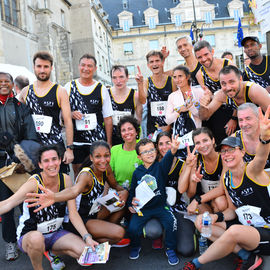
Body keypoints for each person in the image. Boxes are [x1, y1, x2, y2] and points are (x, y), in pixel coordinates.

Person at [182, 105, 270, 270]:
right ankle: (248, 258)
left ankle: (195, 264)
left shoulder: (251, 170)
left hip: (265, 229)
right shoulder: (227, 177)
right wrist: (216, 218)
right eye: (223, 152)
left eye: (231, 150)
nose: (227, 155)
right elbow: (231, 210)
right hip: (247, 225)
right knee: (203, 224)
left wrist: (264, 139)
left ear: (242, 152)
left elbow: (261, 157)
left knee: (234, 231)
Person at [0, 145, 91, 270]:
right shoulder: (33, 183)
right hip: (30, 235)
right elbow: (8, 203)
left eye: (54, 159)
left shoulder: (66, 180)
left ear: (60, 160)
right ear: (40, 164)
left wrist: (87, 237)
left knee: (84, 252)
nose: (51, 164)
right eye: (46, 161)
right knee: (37, 239)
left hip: (55, 233)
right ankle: (38, 268)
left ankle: (52, 252)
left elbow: (73, 213)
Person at [26, 141, 129, 248]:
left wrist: (125, 191)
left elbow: (115, 185)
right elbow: (73, 191)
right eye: (98, 156)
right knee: (119, 233)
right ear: (91, 158)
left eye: (106, 156)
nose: (103, 160)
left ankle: (99, 236)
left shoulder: (106, 168)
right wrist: (54, 197)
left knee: (121, 206)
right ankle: (86, 242)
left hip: (95, 212)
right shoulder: (86, 175)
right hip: (79, 219)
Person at [0, 72, 39, 261]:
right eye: (0, 81)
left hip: (20, 163)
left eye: (6, 81)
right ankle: (10, 243)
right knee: (6, 206)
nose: (3, 84)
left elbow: (30, 135)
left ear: (12, 84)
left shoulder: (22, 107)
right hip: (0, 166)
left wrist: (21, 156)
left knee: (28, 202)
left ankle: (31, 238)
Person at [127, 136, 180, 265]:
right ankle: (135, 246)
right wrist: (130, 203)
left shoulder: (161, 167)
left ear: (156, 151)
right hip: (143, 209)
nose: (149, 153)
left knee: (172, 222)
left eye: (151, 150)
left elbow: (168, 157)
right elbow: (132, 190)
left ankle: (170, 249)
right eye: (145, 151)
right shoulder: (137, 172)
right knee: (132, 228)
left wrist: (173, 149)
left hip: (160, 207)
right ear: (139, 157)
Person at [19, 51, 74, 174]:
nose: (42, 70)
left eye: (46, 67)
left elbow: (68, 121)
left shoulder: (60, 91)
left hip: (55, 147)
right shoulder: (25, 92)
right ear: (34, 67)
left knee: (60, 185)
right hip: (33, 148)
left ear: (51, 68)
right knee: (35, 186)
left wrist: (70, 149)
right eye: (39, 66)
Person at [64, 54, 113, 177]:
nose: (86, 68)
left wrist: (108, 142)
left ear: (95, 68)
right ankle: (81, 196)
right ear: (79, 66)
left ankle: (99, 195)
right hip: (77, 141)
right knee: (78, 173)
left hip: (96, 140)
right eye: (83, 65)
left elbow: (108, 118)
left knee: (98, 172)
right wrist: (70, 114)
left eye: (89, 66)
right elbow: (61, 114)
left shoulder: (101, 88)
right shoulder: (69, 87)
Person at [150, 131, 197, 256]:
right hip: (158, 207)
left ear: (174, 144)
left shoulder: (182, 163)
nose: (164, 147)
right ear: (156, 147)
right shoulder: (152, 164)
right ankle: (161, 232)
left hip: (177, 207)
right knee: (153, 231)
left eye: (168, 143)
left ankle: (186, 231)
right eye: (161, 144)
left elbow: (181, 190)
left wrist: (188, 167)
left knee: (186, 250)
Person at [194, 40, 236, 144]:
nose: (204, 59)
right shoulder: (200, 74)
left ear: (212, 51)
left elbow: (239, 92)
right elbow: (210, 97)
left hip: (235, 108)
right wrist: (209, 96)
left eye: (206, 54)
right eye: (199, 57)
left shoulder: (228, 64)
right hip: (217, 111)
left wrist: (234, 118)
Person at [199, 65, 270, 121]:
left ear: (240, 79)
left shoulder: (255, 91)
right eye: (223, 84)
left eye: (231, 82)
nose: (228, 87)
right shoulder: (222, 95)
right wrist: (203, 106)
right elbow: (204, 117)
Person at [185, 127, 228, 215]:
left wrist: (197, 200)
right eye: (198, 143)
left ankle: (223, 224)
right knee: (204, 214)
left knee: (220, 202)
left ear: (213, 140)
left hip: (219, 197)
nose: (202, 145)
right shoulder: (195, 160)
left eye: (205, 140)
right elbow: (190, 194)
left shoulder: (224, 158)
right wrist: (193, 181)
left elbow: (222, 189)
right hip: (203, 200)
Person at [135, 50, 176, 138]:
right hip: (153, 127)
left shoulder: (171, 80)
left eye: (157, 61)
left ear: (162, 62)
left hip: (170, 125)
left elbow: (176, 104)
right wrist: (140, 84)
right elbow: (142, 101)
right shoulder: (146, 81)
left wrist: (169, 124)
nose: (154, 64)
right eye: (151, 62)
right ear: (148, 65)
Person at [166, 65, 204, 137]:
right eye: (174, 77)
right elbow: (168, 120)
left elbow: (203, 116)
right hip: (179, 136)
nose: (177, 80)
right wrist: (179, 111)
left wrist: (191, 107)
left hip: (197, 134)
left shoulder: (198, 92)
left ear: (187, 76)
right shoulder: (172, 96)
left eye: (180, 76)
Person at [108, 65, 142, 146]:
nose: (118, 81)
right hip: (112, 139)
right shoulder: (106, 94)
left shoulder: (135, 95)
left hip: (129, 139)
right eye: (114, 78)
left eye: (121, 77)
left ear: (127, 77)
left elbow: (139, 120)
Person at [233, 103, 270, 171]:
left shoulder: (268, 131)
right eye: (240, 120)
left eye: (248, 118)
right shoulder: (234, 139)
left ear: (258, 117)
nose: (244, 124)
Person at [110, 115, 142, 188]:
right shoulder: (114, 150)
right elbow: (109, 175)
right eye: (123, 130)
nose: (127, 132)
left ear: (136, 131)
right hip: (118, 191)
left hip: (138, 192)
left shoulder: (143, 148)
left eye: (130, 129)